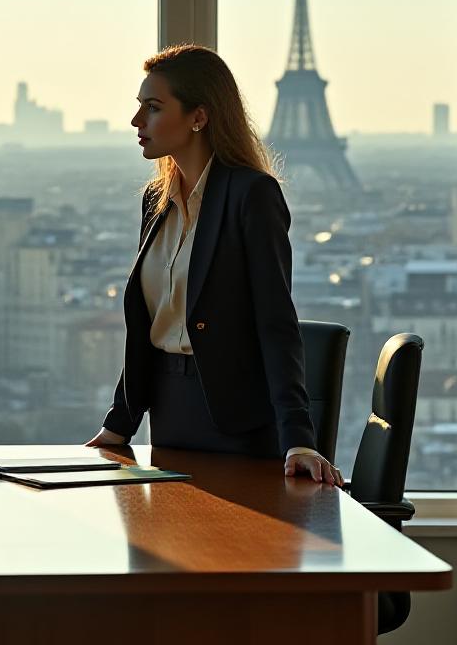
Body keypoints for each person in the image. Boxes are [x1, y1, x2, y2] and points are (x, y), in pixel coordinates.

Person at [86, 43, 342, 484]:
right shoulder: (156, 201)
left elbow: (275, 321)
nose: (136, 122)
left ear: (198, 117)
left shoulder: (251, 195)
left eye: (152, 108)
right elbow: (151, 326)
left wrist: (300, 439)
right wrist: (119, 424)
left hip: (236, 421)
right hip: (169, 415)